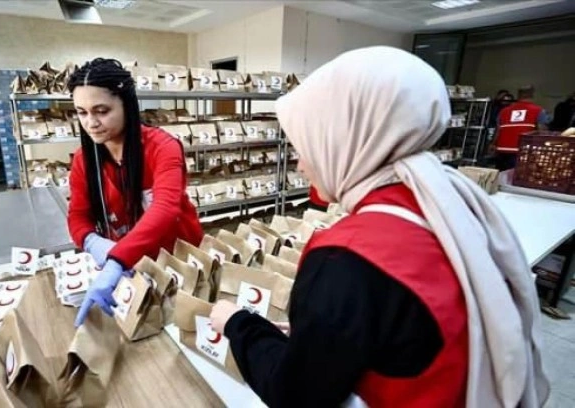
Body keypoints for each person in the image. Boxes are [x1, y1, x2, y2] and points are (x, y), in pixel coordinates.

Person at [210, 47, 549, 407]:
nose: (299, 166)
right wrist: (315, 337)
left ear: (344, 139)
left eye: (304, 146)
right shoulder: (447, 203)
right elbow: (400, 331)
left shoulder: (346, 256)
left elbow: (294, 396)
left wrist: (238, 324)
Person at [68, 59, 203, 326]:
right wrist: (96, 244)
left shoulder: (162, 147)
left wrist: (118, 258)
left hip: (176, 260)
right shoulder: (85, 160)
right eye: (81, 112)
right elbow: (77, 216)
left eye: (102, 110)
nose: (91, 122)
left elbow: (165, 208)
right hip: (129, 265)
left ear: (127, 105)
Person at [492, 86, 549, 171]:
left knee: (501, 176)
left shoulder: (504, 111)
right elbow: (542, 132)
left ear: (518, 95)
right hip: (523, 152)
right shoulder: (538, 110)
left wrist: (492, 144)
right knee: (516, 179)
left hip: (502, 150)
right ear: (532, 94)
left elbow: (498, 130)